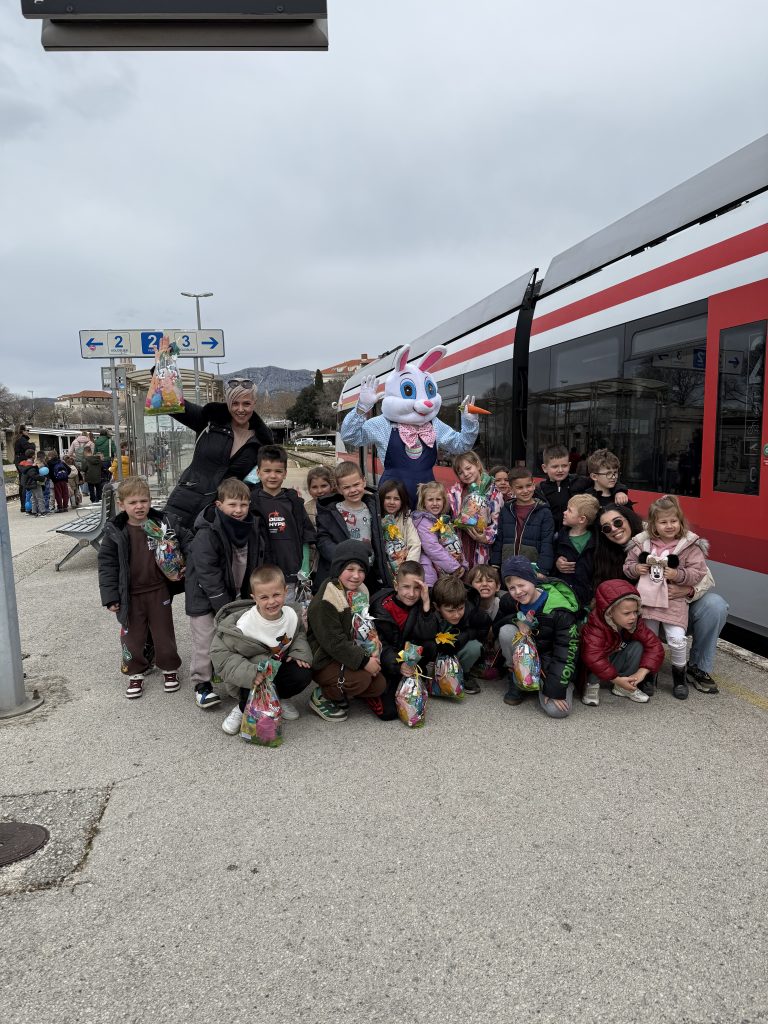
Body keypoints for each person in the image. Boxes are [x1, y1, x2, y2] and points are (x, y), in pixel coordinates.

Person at [593, 502, 727, 692]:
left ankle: (696, 667)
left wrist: (687, 590)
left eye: (618, 522)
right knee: (646, 636)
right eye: (607, 528)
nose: (614, 529)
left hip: (676, 608)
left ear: (628, 519)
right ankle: (648, 671)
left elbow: (704, 575)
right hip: (643, 614)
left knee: (715, 605)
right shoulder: (608, 552)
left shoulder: (662, 535)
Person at [98, 476, 191, 700]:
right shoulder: (116, 531)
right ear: (122, 505)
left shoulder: (163, 524)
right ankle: (135, 672)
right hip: (130, 595)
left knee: (164, 633)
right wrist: (111, 596)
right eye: (133, 502)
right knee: (132, 636)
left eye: (143, 501)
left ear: (150, 501)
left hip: (159, 590)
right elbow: (107, 565)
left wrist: (186, 561)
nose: (139, 506)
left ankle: (169, 668)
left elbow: (186, 541)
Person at [185, 477, 268, 710]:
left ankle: (232, 677)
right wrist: (224, 606)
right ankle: (202, 684)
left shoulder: (252, 527)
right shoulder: (207, 531)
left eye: (243, 504)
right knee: (206, 639)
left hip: (238, 593)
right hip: (205, 595)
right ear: (219, 505)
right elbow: (207, 572)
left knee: (237, 639)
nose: (238, 510)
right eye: (232, 504)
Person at [210, 564, 314, 736]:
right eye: (264, 597)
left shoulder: (291, 615)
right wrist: (251, 673)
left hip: (276, 667)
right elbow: (221, 654)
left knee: (303, 671)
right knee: (259, 667)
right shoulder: (244, 625)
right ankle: (242, 708)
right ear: (254, 598)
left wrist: (299, 652)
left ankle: (279, 699)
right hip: (251, 675)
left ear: (285, 591)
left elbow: (298, 634)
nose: (271, 601)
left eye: (276, 595)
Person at [623, 494, 708, 701]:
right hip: (648, 601)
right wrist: (636, 569)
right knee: (650, 640)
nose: (669, 526)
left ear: (680, 521)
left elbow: (698, 572)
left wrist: (678, 575)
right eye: (663, 522)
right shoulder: (643, 544)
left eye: (673, 521)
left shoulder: (690, 545)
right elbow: (628, 566)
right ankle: (650, 675)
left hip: (673, 601)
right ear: (654, 524)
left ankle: (679, 677)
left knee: (677, 639)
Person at [164, 378, 273, 530]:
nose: (240, 409)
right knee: (169, 543)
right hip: (183, 504)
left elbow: (256, 484)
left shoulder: (261, 442)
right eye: (235, 403)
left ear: (254, 403)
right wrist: (163, 370)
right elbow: (171, 403)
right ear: (228, 403)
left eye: (246, 404)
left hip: (220, 516)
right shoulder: (210, 420)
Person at [306, 539, 387, 722]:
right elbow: (334, 643)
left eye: (361, 570)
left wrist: (373, 652)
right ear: (338, 568)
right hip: (324, 658)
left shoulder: (361, 591)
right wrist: (364, 661)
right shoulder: (327, 598)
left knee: (379, 684)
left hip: (349, 652)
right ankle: (323, 695)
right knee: (361, 679)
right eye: (350, 569)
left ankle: (342, 691)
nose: (356, 576)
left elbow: (364, 626)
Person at [494, 555, 580, 718]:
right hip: (525, 657)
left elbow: (567, 652)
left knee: (557, 711)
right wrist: (517, 620)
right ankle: (517, 677)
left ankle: (564, 684)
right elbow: (496, 625)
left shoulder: (560, 610)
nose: (518, 592)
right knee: (506, 631)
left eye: (522, 585)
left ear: (533, 580)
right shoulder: (510, 601)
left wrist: (554, 689)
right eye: (512, 588)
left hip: (550, 664)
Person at [369, 560, 439, 720]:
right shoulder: (382, 608)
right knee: (389, 713)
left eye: (417, 588)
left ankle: (413, 675)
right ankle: (372, 695)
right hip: (388, 663)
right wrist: (398, 665)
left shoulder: (421, 604)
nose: (411, 593)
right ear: (396, 586)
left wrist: (426, 605)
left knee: (430, 645)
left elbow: (428, 635)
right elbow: (380, 646)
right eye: (406, 587)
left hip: (408, 659)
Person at [580, 580, 665, 706]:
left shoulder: (635, 623)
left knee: (638, 646)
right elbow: (592, 657)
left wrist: (641, 672)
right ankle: (591, 685)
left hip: (613, 665)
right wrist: (616, 679)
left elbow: (655, 646)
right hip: (595, 668)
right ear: (610, 612)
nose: (633, 617)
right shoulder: (595, 626)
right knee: (595, 656)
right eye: (627, 613)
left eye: (635, 611)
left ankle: (625, 685)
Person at [248, 445, 315, 601]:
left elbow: (306, 536)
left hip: (291, 573)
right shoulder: (251, 502)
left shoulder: (294, 502)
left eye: (278, 471)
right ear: (258, 473)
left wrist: (304, 569)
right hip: (262, 575)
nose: (273, 476)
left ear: (285, 473)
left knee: (289, 610)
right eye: (267, 471)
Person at [314, 461, 389, 589]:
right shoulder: (330, 512)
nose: (353, 490)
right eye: (346, 487)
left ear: (364, 481)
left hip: (368, 569)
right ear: (339, 489)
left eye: (356, 484)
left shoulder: (372, 507)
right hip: (342, 571)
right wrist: (342, 559)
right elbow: (323, 540)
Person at [429, 574, 491, 690]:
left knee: (474, 647)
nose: (456, 615)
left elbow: (483, 628)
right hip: (435, 651)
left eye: (460, 608)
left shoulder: (472, 611)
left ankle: (463, 672)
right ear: (437, 607)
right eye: (450, 611)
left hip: (458, 646)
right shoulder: (428, 613)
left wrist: (465, 636)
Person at [490, 466, 555, 574]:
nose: (525, 491)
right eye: (519, 487)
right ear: (511, 489)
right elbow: (499, 539)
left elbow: (547, 543)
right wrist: (495, 564)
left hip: (533, 570)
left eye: (528, 486)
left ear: (533, 485)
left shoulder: (544, 512)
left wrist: (543, 570)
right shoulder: (506, 510)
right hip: (507, 568)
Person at [447, 451, 503, 567]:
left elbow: (496, 521)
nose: (466, 474)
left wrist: (485, 537)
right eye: (460, 472)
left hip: (481, 545)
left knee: (477, 575)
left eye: (468, 468)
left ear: (477, 465)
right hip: (461, 543)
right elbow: (449, 517)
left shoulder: (493, 492)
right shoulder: (454, 492)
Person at [412, 480, 467, 586]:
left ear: (444, 501)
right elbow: (433, 548)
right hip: (429, 569)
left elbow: (456, 544)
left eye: (438, 499)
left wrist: (463, 564)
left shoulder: (443, 520)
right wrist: (455, 567)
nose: (435, 503)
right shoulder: (423, 522)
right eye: (430, 500)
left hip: (446, 568)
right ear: (423, 503)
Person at [551, 493, 600, 606]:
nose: (564, 512)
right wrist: (557, 562)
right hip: (563, 595)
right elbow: (552, 556)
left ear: (582, 519)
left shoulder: (596, 541)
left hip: (587, 598)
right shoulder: (559, 537)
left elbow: (599, 570)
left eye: (569, 510)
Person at [535, 443, 591, 535]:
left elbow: (600, 480)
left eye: (564, 466)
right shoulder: (539, 490)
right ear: (544, 468)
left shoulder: (579, 481)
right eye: (555, 466)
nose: (560, 470)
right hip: (549, 536)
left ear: (569, 465)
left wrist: (617, 491)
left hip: (572, 536)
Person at [378, 479, 421, 580]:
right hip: (384, 570)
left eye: (396, 499)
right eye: (388, 498)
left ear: (402, 501)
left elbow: (415, 544)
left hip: (404, 567)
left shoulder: (406, 520)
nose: (392, 502)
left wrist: (407, 570)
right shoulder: (377, 520)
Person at [22, 452, 47, 517]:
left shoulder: (28, 467)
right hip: (36, 484)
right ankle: (42, 512)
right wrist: (43, 478)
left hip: (31, 484)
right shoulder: (32, 468)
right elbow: (35, 476)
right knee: (40, 497)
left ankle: (34, 512)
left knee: (34, 498)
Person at [13, 425, 31, 512]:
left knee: (22, 482)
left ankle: (23, 505)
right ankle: (25, 505)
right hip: (22, 462)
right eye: (27, 430)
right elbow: (29, 448)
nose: (28, 432)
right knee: (24, 482)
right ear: (23, 431)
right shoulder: (22, 439)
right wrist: (32, 445)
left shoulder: (16, 439)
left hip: (18, 461)